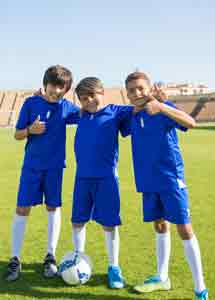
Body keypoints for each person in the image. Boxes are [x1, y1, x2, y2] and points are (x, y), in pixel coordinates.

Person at [124, 71, 208, 300]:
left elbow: (191, 122)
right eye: (131, 90)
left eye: (141, 88)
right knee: (160, 226)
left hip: (171, 180)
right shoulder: (131, 115)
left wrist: (161, 106)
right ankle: (162, 277)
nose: (137, 93)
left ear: (149, 89)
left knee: (184, 228)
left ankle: (200, 288)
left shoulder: (162, 107)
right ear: (128, 95)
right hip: (148, 182)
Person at [4, 65, 80, 281]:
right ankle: (15, 258)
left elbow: (87, 113)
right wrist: (30, 130)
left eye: (62, 88)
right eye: (54, 86)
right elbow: (17, 135)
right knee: (22, 209)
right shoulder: (30, 104)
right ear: (45, 84)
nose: (57, 91)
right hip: (31, 167)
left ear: (66, 90)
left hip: (55, 168)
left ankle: (50, 256)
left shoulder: (66, 107)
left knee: (53, 208)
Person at [71, 77, 132, 289]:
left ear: (102, 93)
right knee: (78, 221)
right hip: (81, 178)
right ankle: (78, 260)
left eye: (92, 95)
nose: (88, 101)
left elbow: (138, 109)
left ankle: (114, 267)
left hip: (106, 178)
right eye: (83, 98)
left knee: (109, 223)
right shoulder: (80, 115)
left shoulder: (116, 112)